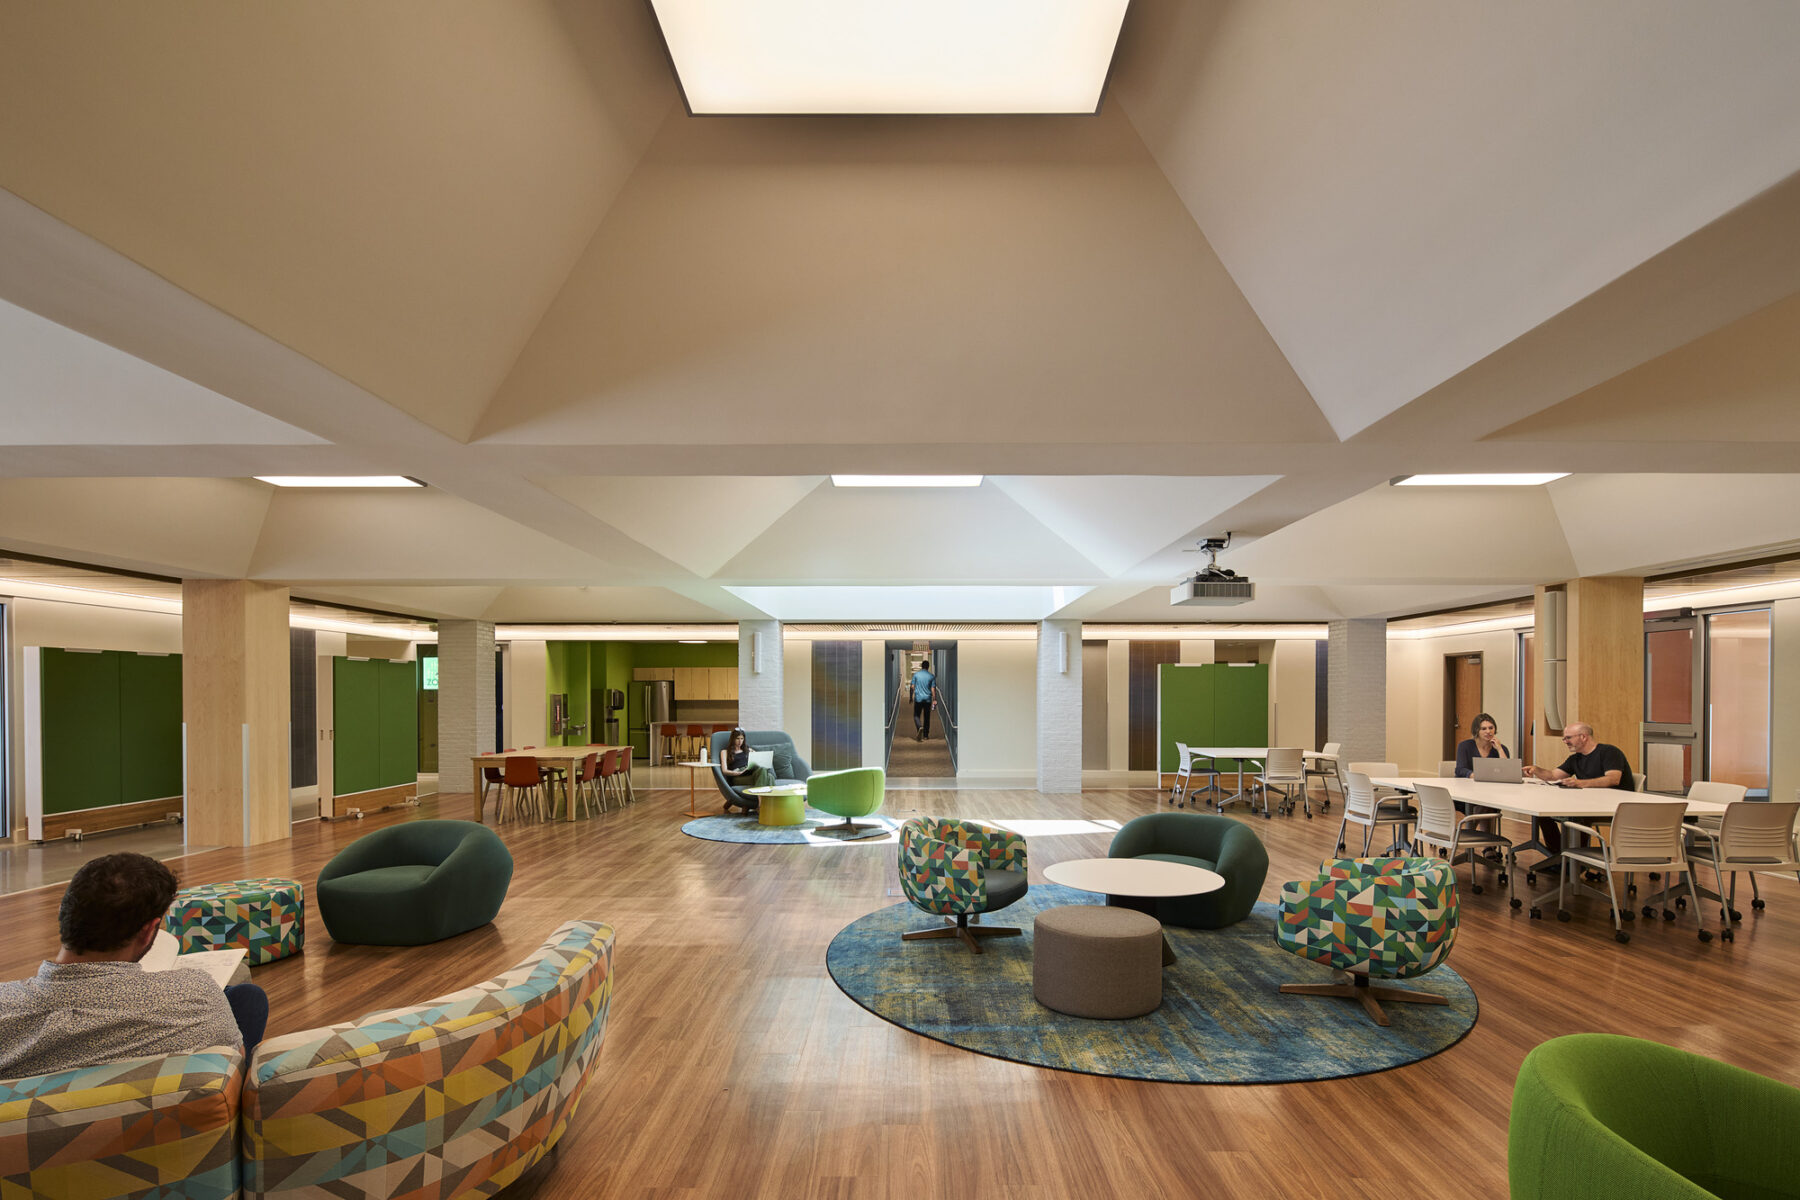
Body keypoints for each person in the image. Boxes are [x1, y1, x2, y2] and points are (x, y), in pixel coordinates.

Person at [0, 852, 268, 1078]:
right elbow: (235, 1066)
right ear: (149, 931)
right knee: (246, 998)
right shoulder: (197, 994)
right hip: (168, 1130)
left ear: (63, 912)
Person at [1525, 722, 1635, 855]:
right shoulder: (1575, 759)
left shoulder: (1609, 752)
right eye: (1564, 738)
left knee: (1577, 815)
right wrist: (1536, 769)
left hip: (1615, 808)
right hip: (1590, 804)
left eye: (1568, 738)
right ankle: (1559, 854)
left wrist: (1580, 783)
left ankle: (1575, 860)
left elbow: (1613, 778)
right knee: (1543, 813)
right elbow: (1553, 776)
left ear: (1583, 737)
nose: (1565, 742)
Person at [719, 728, 773, 811]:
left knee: (763, 770)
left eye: (742, 739)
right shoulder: (725, 752)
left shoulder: (748, 750)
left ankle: (760, 806)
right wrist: (738, 773)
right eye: (737, 739)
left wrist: (759, 758)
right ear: (733, 739)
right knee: (769, 777)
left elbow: (761, 760)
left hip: (749, 773)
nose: (740, 741)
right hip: (738, 777)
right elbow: (724, 771)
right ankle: (766, 805)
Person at [1454, 713, 1511, 778]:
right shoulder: (1464, 746)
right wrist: (1476, 776)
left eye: (1491, 728)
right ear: (1476, 731)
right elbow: (1460, 769)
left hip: (1492, 785)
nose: (1488, 731)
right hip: (1468, 784)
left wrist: (1500, 750)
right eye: (1484, 729)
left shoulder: (1502, 748)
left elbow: (1507, 772)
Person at [911, 660, 936, 741]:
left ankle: (919, 727)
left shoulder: (916, 675)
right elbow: (933, 689)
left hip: (918, 698)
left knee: (916, 715)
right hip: (927, 699)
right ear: (928, 667)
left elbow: (912, 687)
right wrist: (934, 699)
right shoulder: (931, 676)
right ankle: (925, 735)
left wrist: (911, 697)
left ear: (922, 666)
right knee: (927, 717)